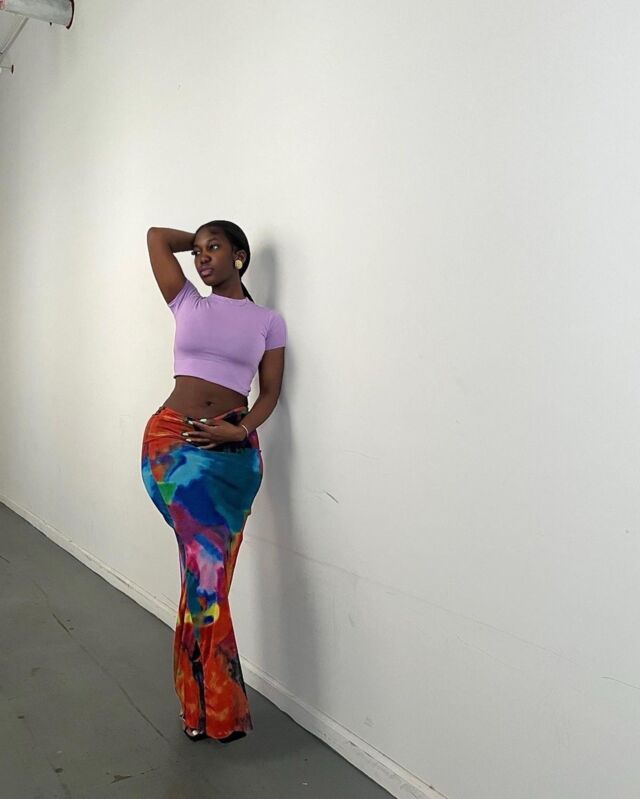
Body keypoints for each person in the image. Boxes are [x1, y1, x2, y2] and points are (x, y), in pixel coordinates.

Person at [140, 220, 286, 743]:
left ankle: (196, 707)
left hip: (233, 456)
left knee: (205, 579)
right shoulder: (186, 302)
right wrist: (202, 235)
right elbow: (157, 236)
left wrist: (239, 429)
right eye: (198, 251)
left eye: (214, 248)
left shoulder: (268, 322)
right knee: (206, 574)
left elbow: (269, 392)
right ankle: (221, 709)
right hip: (174, 446)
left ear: (240, 256)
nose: (201, 258)